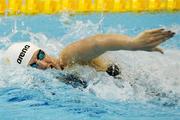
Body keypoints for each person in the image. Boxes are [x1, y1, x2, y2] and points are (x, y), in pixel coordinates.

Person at [3, 28, 175, 77]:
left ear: (43, 50)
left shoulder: (67, 58)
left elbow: (96, 43)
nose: (42, 64)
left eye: (40, 56)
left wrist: (133, 43)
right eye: (33, 65)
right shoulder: (57, 78)